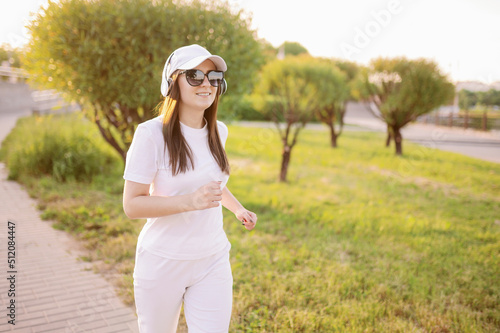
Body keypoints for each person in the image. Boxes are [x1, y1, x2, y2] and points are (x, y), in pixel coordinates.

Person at [122, 44, 257, 333]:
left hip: (213, 259)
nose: (207, 84)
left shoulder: (219, 131)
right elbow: (132, 205)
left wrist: (237, 208)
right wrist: (189, 201)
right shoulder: (150, 134)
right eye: (195, 75)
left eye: (214, 76)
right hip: (162, 263)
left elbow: (213, 185)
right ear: (172, 84)